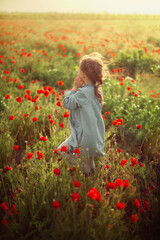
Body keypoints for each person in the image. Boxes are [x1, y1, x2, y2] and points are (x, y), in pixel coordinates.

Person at [58, 52, 108, 176]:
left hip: (83, 136)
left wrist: (74, 87)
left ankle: (82, 169)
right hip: (95, 134)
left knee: (61, 151)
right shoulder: (98, 90)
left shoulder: (82, 93)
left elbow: (67, 103)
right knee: (89, 161)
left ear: (82, 74)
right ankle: (90, 175)